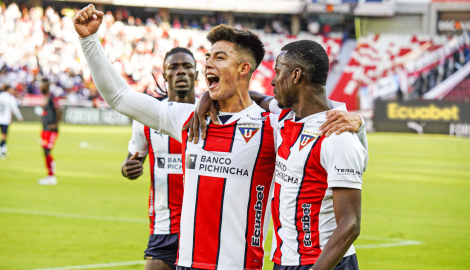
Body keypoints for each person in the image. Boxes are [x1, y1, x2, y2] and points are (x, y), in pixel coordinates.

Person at [74, 5, 364, 269]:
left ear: (243, 69)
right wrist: (89, 40)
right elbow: (120, 97)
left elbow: (318, 125)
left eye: (220, 57)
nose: (208, 63)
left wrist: (358, 122)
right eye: (208, 57)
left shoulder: (274, 126)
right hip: (187, 264)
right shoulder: (190, 120)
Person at [188, 41, 368, 270]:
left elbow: (350, 224)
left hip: (324, 263)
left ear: (296, 75)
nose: (272, 81)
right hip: (284, 261)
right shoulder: (284, 117)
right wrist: (209, 96)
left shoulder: (337, 135)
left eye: (278, 72)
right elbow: (252, 97)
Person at [121, 47, 198, 270]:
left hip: (203, 225)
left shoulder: (213, 114)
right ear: (164, 75)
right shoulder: (146, 118)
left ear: (197, 73)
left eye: (187, 67)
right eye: (173, 67)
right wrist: (128, 169)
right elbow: (132, 160)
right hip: (164, 226)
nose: (181, 72)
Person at [37, 80, 61, 185]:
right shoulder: (46, 98)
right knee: (45, 151)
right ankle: (49, 175)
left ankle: (52, 177)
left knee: (47, 150)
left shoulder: (52, 97)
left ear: (46, 86)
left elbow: (59, 109)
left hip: (51, 129)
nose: (40, 87)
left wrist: (55, 124)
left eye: (41, 85)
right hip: (45, 129)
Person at [0, 85, 23, 159]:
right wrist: (19, 117)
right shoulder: (10, 98)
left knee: (4, 134)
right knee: (4, 135)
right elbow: (14, 108)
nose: (12, 91)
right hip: (5, 119)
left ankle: (3, 151)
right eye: (11, 89)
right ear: (8, 89)